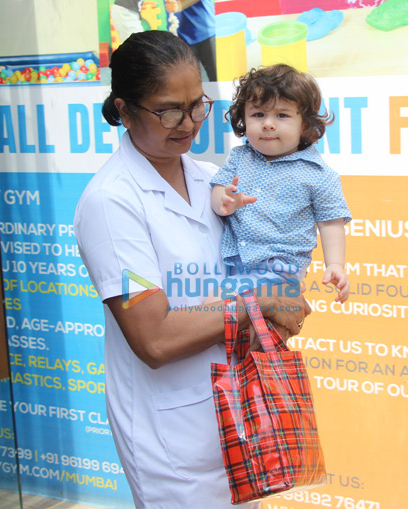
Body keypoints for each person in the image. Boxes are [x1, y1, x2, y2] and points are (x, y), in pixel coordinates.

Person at [73, 31, 310, 509]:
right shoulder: (112, 202)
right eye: (168, 110)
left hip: (236, 415)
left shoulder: (208, 179)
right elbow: (154, 340)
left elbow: (237, 276)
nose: (188, 123)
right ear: (124, 109)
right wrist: (257, 302)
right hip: (171, 441)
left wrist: (278, 292)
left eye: (197, 105)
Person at [210, 64, 352, 305]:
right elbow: (218, 191)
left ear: (305, 125)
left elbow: (331, 224)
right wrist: (224, 200)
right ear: (243, 118)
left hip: (279, 270)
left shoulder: (318, 174)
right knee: (237, 331)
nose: (268, 124)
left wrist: (335, 264)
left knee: (210, 306)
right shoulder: (239, 157)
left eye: (282, 115)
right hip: (233, 262)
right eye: (258, 115)